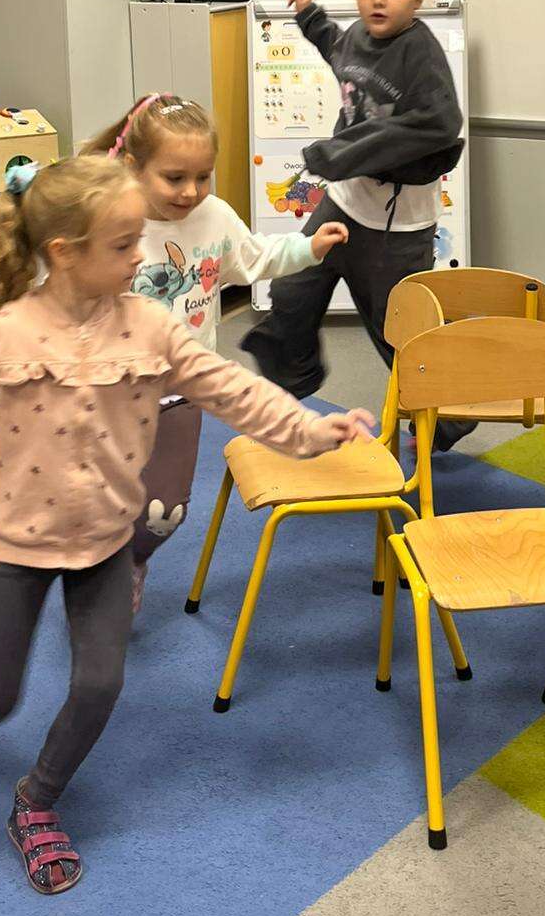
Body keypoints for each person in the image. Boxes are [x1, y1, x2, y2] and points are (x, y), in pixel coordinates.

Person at [0, 156, 372, 896]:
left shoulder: (152, 328)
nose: (141, 256)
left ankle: (36, 801)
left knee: (100, 684)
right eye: (123, 244)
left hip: (106, 543)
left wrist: (307, 429)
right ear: (65, 252)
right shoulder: (5, 335)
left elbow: (231, 390)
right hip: (22, 547)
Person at [84, 91, 348, 612]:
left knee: (167, 510)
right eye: (174, 178)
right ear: (133, 166)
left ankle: (132, 560)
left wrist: (310, 246)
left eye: (202, 177)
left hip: (182, 389)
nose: (191, 191)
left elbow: (255, 257)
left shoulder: (214, 217)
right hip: (110, 391)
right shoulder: (108, 223)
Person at [242, 0, 470, 448]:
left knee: (398, 332)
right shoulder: (361, 36)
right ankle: (294, 384)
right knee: (291, 290)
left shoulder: (420, 52)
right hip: (342, 203)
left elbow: (439, 123)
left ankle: (448, 418)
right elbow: (339, 53)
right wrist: (309, 15)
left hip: (396, 228)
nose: (378, 0)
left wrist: (344, 151)